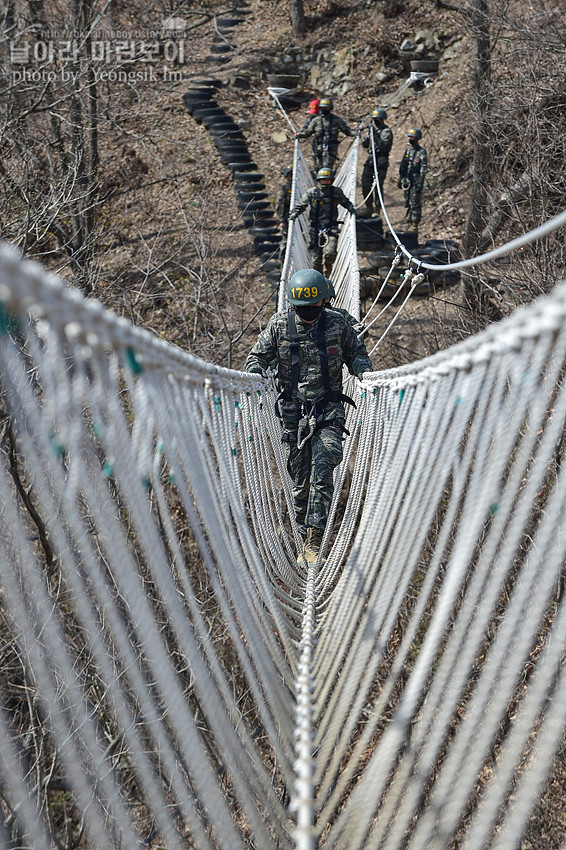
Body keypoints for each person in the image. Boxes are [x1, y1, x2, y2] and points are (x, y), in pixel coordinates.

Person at [244, 269, 372, 563]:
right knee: (301, 483)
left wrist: (364, 374)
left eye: (313, 309)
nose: (308, 314)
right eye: (302, 310)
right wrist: (254, 376)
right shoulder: (279, 326)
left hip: (328, 411)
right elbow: (257, 357)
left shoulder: (338, 324)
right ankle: (304, 540)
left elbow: (356, 354)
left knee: (324, 468)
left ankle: (314, 541)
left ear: (322, 304)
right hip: (293, 416)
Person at [288, 167, 356, 278]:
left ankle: (329, 270)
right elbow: (301, 206)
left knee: (330, 253)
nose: (325, 182)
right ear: (319, 180)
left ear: (331, 180)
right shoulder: (312, 193)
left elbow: (346, 203)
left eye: (327, 180)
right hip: (315, 229)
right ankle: (319, 279)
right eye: (323, 180)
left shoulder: (336, 192)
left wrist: (352, 210)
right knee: (315, 260)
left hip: (331, 228)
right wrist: (293, 215)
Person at [295, 97, 357, 173]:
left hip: (331, 149)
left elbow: (347, 131)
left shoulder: (336, 120)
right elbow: (308, 132)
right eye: (323, 108)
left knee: (328, 170)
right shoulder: (316, 120)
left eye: (327, 108)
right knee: (318, 169)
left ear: (330, 108)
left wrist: (356, 133)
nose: (325, 109)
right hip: (318, 149)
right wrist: (299, 135)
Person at [361, 108, 393, 217]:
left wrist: (374, 134)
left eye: (377, 119)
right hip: (370, 160)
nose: (375, 121)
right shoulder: (373, 130)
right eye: (374, 119)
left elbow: (383, 145)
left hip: (380, 161)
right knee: (365, 183)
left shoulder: (386, 132)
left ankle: (377, 209)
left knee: (377, 186)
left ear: (382, 119)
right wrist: (366, 140)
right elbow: (366, 146)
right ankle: (368, 207)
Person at [398, 128, 428, 237]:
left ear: (417, 138)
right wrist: (401, 178)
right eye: (409, 137)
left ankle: (414, 224)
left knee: (415, 202)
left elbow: (423, 168)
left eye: (412, 137)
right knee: (407, 201)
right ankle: (409, 222)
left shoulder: (421, 152)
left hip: (416, 179)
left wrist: (420, 181)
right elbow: (403, 164)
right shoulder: (408, 150)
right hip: (407, 179)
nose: (410, 139)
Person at [275, 165, 293, 260]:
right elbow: (280, 203)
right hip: (286, 219)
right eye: (290, 174)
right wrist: (282, 219)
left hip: (294, 218)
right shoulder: (285, 188)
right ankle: (283, 262)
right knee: (286, 241)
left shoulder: (295, 186)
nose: (292, 176)